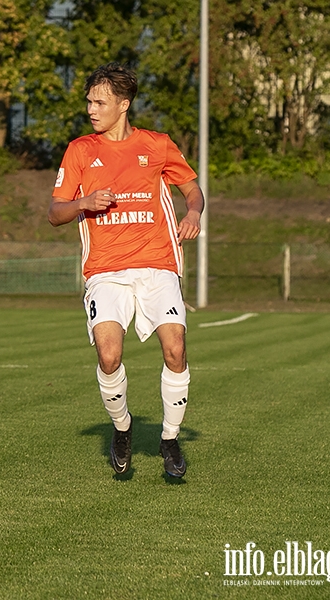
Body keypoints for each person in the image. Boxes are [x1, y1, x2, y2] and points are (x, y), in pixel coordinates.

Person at [48, 63, 204, 478]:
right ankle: (123, 428)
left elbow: (192, 189)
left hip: (157, 265)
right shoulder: (80, 150)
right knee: (109, 353)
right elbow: (54, 213)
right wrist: (84, 202)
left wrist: (194, 212)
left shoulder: (157, 145)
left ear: (124, 104)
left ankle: (169, 439)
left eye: (99, 102)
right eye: (88, 101)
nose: (91, 109)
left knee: (175, 348)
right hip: (106, 270)